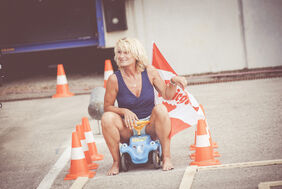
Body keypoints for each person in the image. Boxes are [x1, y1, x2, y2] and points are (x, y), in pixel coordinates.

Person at [101, 38, 187, 176]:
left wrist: (173, 82)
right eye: (119, 52)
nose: (121, 56)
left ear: (136, 54)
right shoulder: (114, 79)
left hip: (149, 126)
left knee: (161, 109)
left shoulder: (150, 72)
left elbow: (167, 95)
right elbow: (107, 107)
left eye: (126, 52)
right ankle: (116, 162)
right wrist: (123, 110)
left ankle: (166, 158)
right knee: (107, 118)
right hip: (128, 128)